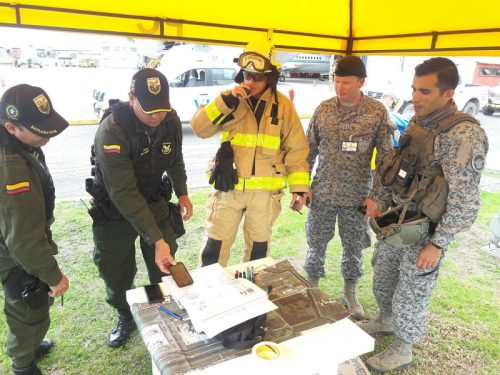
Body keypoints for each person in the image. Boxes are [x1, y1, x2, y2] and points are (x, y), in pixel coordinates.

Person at [357, 57, 488, 373]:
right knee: (384, 276)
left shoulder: (463, 136)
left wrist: (439, 243)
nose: (416, 97)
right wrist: (378, 199)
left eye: (425, 91)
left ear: (448, 94)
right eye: (414, 89)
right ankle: (385, 320)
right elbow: (397, 169)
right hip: (397, 221)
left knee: (412, 292)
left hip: (426, 230)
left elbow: (465, 199)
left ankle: (403, 348)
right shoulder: (418, 122)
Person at [89, 68, 193, 348]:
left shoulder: (169, 118)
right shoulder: (112, 130)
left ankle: (160, 304)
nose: (156, 117)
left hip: (154, 200)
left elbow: (175, 158)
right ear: (131, 98)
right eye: (149, 111)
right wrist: (155, 238)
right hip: (115, 209)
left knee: (165, 261)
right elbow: (123, 192)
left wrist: (182, 192)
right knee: (115, 269)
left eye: (162, 109)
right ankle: (125, 313)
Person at [190, 39, 309, 267]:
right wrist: (226, 103)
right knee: (214, 249)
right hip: (228, 188)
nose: (250, 81)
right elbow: (199, 129)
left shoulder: (284, 106)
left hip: (264, 195)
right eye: (246, 75)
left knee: (258, 255)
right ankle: (210, 295)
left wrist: (300, 188)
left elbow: (297, 149)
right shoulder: (227, 99)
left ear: (271, 77)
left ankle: (253, 295)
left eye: (258, 76)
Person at [303, 55, 396, 320]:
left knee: (354, 247)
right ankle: (312, 288)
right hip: (322, 192)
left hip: (358, 196)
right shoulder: (324, 109)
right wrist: (303, 186)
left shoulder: (376, 111)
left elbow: (385, 159)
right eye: (336, 81)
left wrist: (376, 197)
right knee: (316, 243)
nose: (339, 87)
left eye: (346, 82)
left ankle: (349, 292)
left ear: (361, 82)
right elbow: (308, 149)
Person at [0, 84, 70, 375]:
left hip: (13, 243)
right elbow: (24, 240)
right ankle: (23, 364)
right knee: (28, 311)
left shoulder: (19, 145)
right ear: (12, 128)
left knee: (29, 310)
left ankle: (28, 347)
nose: (47, 137)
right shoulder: (11, 165)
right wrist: (54, 277)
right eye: (40, 131)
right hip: (13, 256)